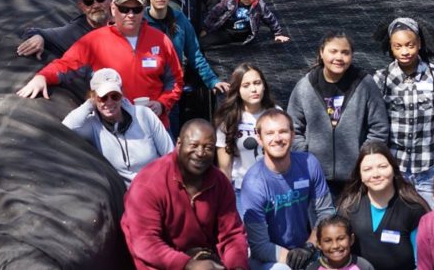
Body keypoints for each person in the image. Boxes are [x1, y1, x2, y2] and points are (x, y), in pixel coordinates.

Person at [16, 0, 184, 128]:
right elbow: (66, 65)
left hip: (154, 125)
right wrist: (42, 77)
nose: (130, 15)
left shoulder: (161, 40)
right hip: (112, 127)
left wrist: (162, 104)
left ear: (143, 11)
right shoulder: (94, 41)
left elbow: (175, 80)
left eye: (136, 9)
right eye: (124, 9)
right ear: (113, 8)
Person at [122, 119, 249, 270]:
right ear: (179, 144)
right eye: (193, 145)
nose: (200, 153)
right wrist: (189, 265)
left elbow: (232, 235)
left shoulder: (220, 183)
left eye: (208, 147)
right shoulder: (148, 183)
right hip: (161, 264)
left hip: (205, 258)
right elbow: (145, 243)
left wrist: (238, 267)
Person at [287, 33, 390, 194]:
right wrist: (307, 157)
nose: (339, 57)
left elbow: (379, 127)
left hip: (357, 178)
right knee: (322, 219)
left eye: (345, 52)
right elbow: (292, 128)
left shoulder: (364, 84)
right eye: (333, 51)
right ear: (321, 52)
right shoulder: (305, 86)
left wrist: (364, 159)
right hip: (317, 179)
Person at [372, 17, 434, 208]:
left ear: (419, 43)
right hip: (395, 170)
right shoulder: (381, 79)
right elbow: (375, 125)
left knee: (430, 222)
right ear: (390, 47)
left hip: (428, 170)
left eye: (409, 45)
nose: (404, 51)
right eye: (398, 46)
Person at [241, 109, 336, 270]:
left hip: (307, 248)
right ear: (259, 138)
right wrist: (294, 260)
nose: (277, 139)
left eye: (283, 131)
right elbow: (260, 245)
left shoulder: (309, 163)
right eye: (269, 133)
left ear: (292, 135)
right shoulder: (253, 182)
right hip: (268, 258)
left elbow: (326, 212)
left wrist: (309, 246)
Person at [143, 0, 227, 130]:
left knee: (171, 133)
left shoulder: (179, 18)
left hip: (170, 90)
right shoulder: (140, 22)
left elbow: (194, 52)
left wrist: (212, 81)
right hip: (146, 88)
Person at [63, 67, 173, 185]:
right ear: (94, 98)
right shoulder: (93, 125)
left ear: (122, 95)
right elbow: (66, 128)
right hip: (130, 195)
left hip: (159, 185)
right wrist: (90, 104)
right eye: (103, 97)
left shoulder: (144, 114)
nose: (109, 102)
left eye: (115, 96)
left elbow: (170, 154)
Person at [336, 142, 428, 270]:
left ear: (393, 169)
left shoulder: (413, 209)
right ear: (360, 175)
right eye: (367, 169)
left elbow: (423, 263)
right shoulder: (348, 207)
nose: (376, 174)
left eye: (382, 166)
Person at [215, 64, 279, 213]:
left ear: (264, 85)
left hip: (275, 188)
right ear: (237, 90)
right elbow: (225, 167)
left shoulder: (277, 114)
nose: (254, 89)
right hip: (242, 190)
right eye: (246, 85)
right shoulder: (228, 119)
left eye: (257, 83)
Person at [16, 0, 112, 59]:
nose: (96, 5)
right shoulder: (74, 32)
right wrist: (38, 37)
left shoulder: (123, 20)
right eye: (88, 2)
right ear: (81, 6)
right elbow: (37, 32)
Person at [201, 0, 290, 48]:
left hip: (246, 36)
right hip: (227, 32)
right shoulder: (230, 0)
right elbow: (214, 13)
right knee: (204, 42)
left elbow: (270, 19)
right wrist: (205, 28)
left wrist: (278, 34)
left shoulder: (259, 5)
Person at [307, 216, 375, 270]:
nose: (335, 246)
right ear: (319, 244)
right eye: (328, 240)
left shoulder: (363, 266)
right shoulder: (313, 268)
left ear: (351, 239)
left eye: (341, 239)